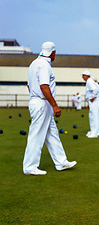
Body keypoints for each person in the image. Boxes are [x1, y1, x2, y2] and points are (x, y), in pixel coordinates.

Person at [23, 41, 77, 175]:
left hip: (39, 102)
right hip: (42, 103)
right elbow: (44, 86)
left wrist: (35, 98)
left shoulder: (34, 64)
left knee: (52, 133)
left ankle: (61, 162)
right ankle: (30, 167)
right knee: (36, 135)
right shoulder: (44, 65)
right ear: (52, 52)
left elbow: (29, 86)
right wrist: (54, 105)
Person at [82, 70, 99, 138]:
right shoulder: (89, 81)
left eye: (84, 75)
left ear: (87, 76)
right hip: (92, 101)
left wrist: (92, 98)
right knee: (91, 117)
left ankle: (95, 133)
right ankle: (93, 131)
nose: (82, 77)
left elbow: (95, 90)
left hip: (94, 101)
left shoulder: (89, 81)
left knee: (94, 117)